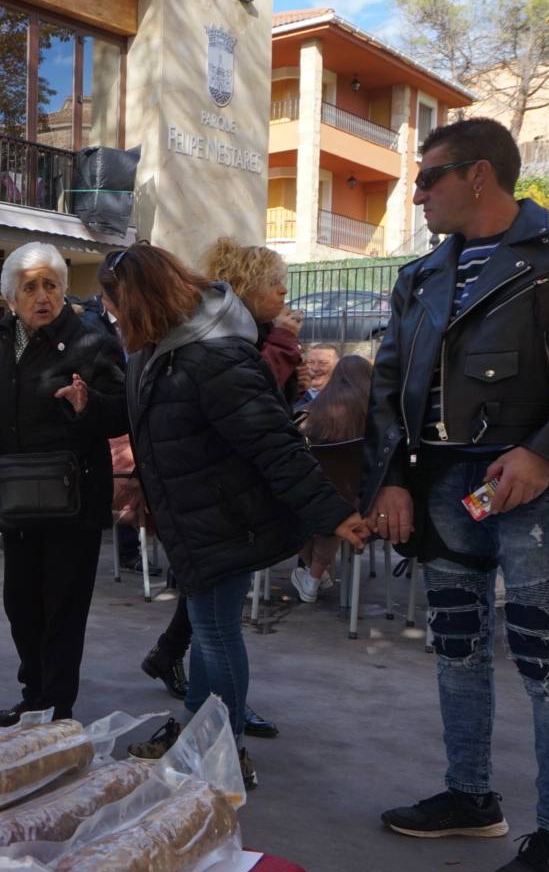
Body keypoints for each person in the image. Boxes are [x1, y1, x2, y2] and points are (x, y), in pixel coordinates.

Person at [366, 117, 549, 872]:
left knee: (543, 655)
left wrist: (546, 451)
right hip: (442, 484)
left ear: (480, 175)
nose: (418, 192)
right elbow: (391, 386)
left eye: (429, 177)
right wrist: (391, 479)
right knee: (455, 644)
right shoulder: (420, 276)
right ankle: (471, 797)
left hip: (532, 485)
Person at [104, 244, 370, 788]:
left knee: (218, 633)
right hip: (196, 516)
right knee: (209, 631)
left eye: (116, 304)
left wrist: (332, 514)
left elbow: (274, 443)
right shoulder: (163, 350)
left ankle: (225, 749)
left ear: (143, 300)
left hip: (227, 518)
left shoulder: (212, 354)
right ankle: (198, 732)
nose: (112, 316)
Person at [0, 242, 128, 725]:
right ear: (11, 297)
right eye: (30, 287)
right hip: (16, 499)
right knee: (21, 606)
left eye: (51, 285)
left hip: (73, 502)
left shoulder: (92, 339)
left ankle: (55, 707)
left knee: (63, 610)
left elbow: (123, 410)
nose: (42, 296)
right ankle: (34, 697)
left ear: (64, 291)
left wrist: (89, 404)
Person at [138, 238, 304, 738]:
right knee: (214, 621)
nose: (284, 292)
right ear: (246, 287)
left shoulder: (245, 340)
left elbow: (264, 428)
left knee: (214, 621)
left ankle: (214, 727)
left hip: (223, 504)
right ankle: (215, 727)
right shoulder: (235, 345)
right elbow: (252, 416)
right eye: (274, 282)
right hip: (216, 501)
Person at [290, 354, 372, 602]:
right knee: (340, 503)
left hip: (312, 499)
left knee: (307, 507)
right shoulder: (379, 414)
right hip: (363, 503)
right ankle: (315, 577)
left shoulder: (310, 414)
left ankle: (314, 576)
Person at [292, 345, 339, 410]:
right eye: (311, 362)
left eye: (323, 363)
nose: (315, 368)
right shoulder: (291, 397)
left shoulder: (347, 398)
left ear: (337, 366)